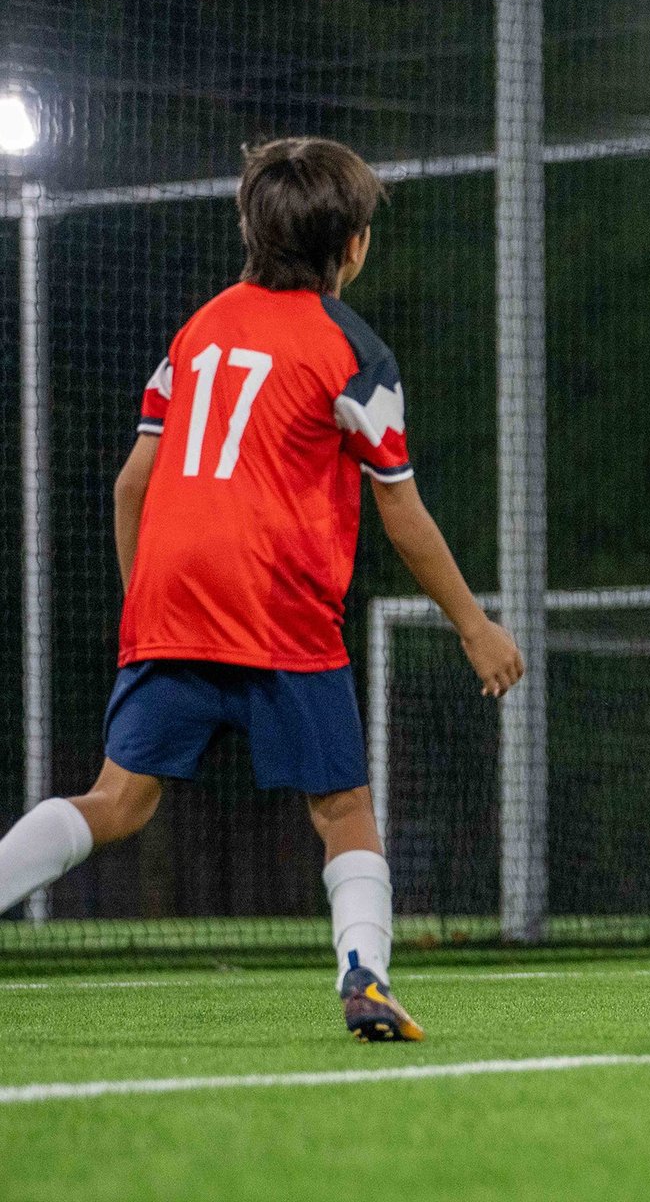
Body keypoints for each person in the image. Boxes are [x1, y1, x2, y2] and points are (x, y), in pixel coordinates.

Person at [0, 136, 524, 1038]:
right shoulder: (353, 351)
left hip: (170, 598)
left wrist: (146, 605)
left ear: (250, 227)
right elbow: (401, 510)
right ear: (352, 245)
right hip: (278, 605)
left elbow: (132, 486)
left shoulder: (199, 330)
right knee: (344, 810)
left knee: (118, 800)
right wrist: (474, 623)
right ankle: (364, 974)